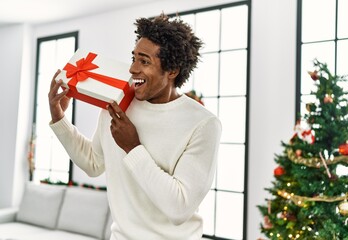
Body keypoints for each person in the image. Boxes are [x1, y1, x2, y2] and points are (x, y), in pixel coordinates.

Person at [48, 13, 222, 240]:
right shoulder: (119, 103)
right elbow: (93, 163)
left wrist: (133, 147)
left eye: (144, 61)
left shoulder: (203, 124)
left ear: (172, 71)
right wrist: (59, 117)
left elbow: (179, 207)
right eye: (134, 58)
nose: (132, 68)